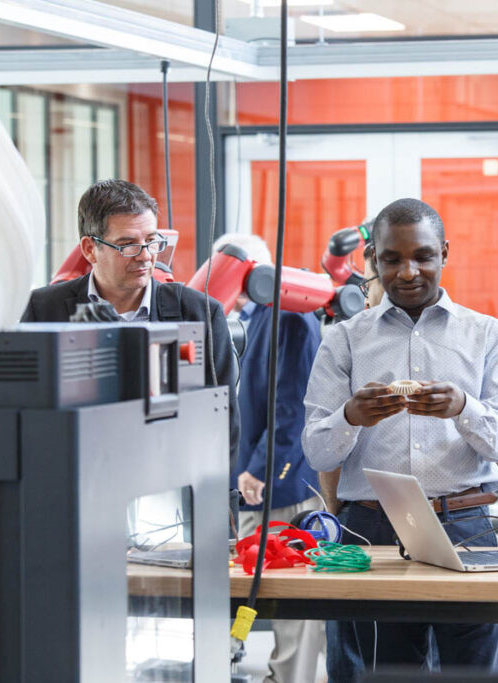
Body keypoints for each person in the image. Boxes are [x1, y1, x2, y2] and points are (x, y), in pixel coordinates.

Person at [302, 198, 498, 680]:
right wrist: (351, 416)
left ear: (444, 252)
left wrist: (464, 408)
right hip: (375, 530)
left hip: (467, 525)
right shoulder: (343, 340)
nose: (407, 272)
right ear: (374, 258)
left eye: (423, 256)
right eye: (392, 259)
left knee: (476, 671)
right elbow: (316, 449)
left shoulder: (488, 335)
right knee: (389, 671)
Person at [20, 179, 239, 474]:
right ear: (89, 249)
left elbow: (223, 421)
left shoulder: (199, 313)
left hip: (172, 483)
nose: (146, 255)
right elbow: (30, 415)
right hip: (77, 480)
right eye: (128, 245)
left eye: (151, 240)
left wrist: (210, 502)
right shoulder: (43, 309)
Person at [215, 232, 326, 683]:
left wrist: (261, 470)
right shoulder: (261, 317)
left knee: (289, 591)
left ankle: (290, 678)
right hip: (258, 481)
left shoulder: (290, 318)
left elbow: (292, 407)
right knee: (251, 584)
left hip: (281, 482)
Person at [318, 245, 384, 516]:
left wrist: (334, 510)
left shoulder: (350, 341)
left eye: (367, 285)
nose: (365, 301)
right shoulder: (344, 340)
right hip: (367, 517)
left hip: (366, 515)